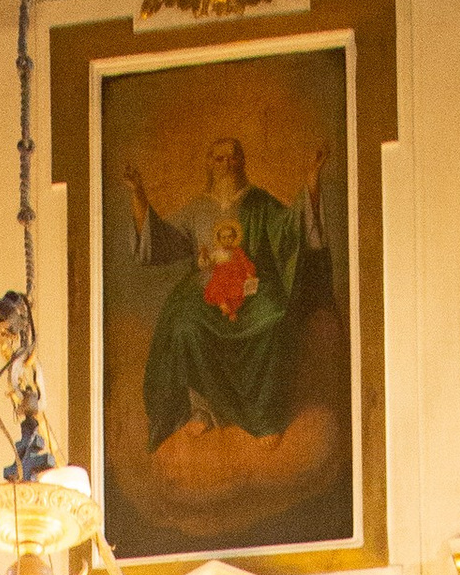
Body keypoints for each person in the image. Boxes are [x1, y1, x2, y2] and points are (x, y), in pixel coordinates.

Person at [124, 132, 331, 453]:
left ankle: (265, 417)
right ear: (209, 164)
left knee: (275, 319)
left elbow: (291, 230)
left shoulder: (259, 202)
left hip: (254, 287)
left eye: (233, 156)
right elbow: (162, 241)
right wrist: (139, 198)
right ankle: (203, 410)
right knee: (183, 326)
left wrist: (311, 185)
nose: (227, 163)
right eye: (219, 158)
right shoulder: (196, 210)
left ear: (242, 162)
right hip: (206, 290)